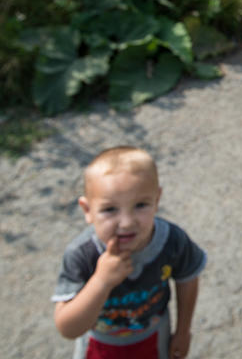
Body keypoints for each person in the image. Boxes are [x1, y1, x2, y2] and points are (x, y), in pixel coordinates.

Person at [53, 146, 206, 359]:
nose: (126, 223)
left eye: (141, 205)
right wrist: (101, 281)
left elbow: (188, 279)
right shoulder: (82, 254)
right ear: (87, 210)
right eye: (109, 209)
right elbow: (67, 328)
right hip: (100, 345)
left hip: (155, 339)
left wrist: (183, 331)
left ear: (157, 199)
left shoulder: (172, 240)